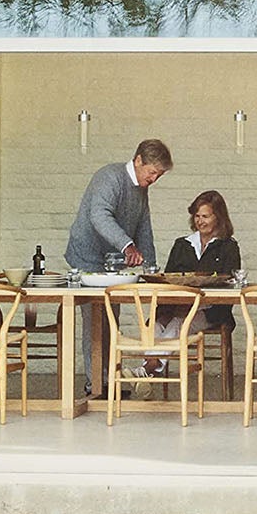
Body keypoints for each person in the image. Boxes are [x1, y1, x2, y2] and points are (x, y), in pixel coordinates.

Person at [66, 138, 172, 394]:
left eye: (159, 175)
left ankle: (108, 380)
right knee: (95, 322)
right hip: (88, 259)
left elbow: (143, 226)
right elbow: (99, 215)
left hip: (112, 264)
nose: (154, 179)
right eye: (152, 172)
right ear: (138, 161)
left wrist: (150, 266)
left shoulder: (141, 188)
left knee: (110, 321)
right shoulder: (109, 177)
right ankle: (96, 385)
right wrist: (127, 246)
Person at [162, 189, 243, 393]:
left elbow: (230, 282)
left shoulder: (228, 247)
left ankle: (150, 367)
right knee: (156, 323)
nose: (200, 221)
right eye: (196, 216)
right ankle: (149, 371)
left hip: (211, 311)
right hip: (178, 307)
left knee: (179, 323)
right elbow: (169, 279)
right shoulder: (182, 245)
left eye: (205, 216)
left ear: (218, 217)